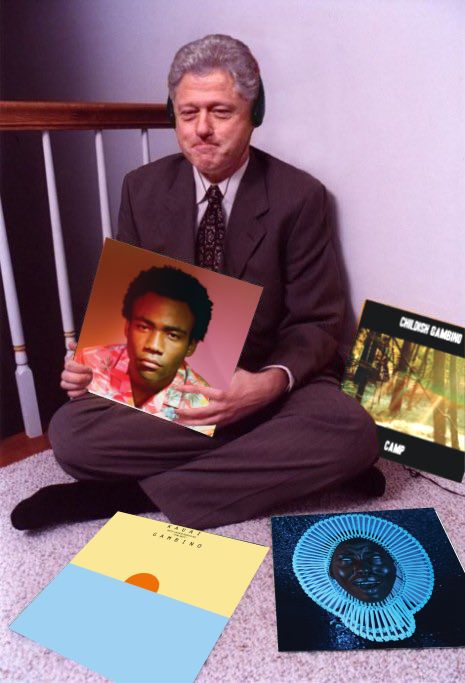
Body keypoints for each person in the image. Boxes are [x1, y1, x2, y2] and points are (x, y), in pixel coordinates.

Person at [11, 34, 383, 532]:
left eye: (220, 112)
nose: (202, 129)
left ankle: (133, 496)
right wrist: (90, 364)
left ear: (255, 112)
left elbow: (317, 322)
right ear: (173, 115)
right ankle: (285, 465)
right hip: (179, 384)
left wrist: (263, 387)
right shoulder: (140, 189)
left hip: (269, 379)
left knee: (352, 431)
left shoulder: (301, 197)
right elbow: (128, 305)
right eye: (188, 114)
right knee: (71, 434)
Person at [76, 266, 215, 436]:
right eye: (143, 327)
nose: (154, 346)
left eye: (172, 335)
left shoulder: (203, 402)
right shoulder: (91, 360)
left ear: (190, 346)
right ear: (127, 327)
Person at [292, 513, 434, 642]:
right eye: (346, 561)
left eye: (374, 557)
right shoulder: (311, 628)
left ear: (394, 564)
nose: (363, 569)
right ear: (331, 572)